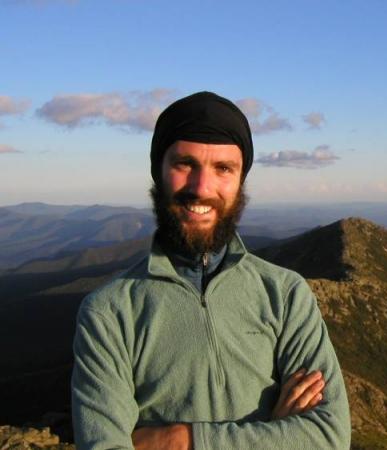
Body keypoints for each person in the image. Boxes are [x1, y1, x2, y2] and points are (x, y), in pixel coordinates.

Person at [71, 91, 351, 449]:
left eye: (223, 168)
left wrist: (181, 439)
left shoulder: (285, 294)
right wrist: (275, 433)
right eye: (184, 164)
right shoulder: (109, 312)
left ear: (240, 182)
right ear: (158, 172)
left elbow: (329, 437)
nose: (201, 188)